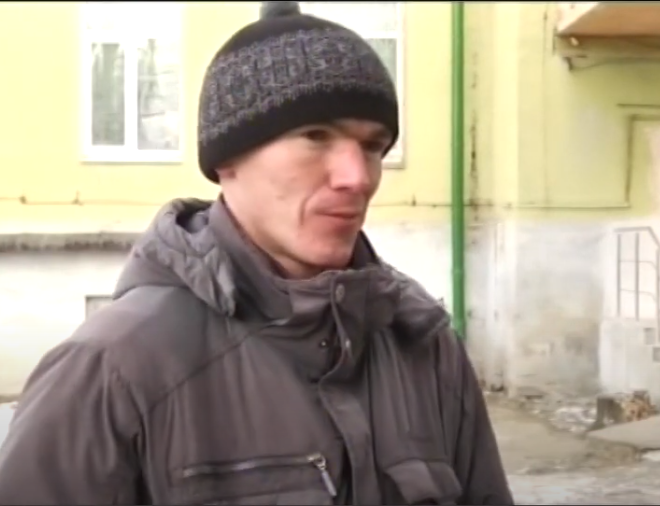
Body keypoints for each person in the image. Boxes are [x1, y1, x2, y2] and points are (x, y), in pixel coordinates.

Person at [0, 2, 513, 504]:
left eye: (374, 146)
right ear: (227, 159)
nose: (357, 177)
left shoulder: (422, 343)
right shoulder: (111, 370)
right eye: (315, 136)